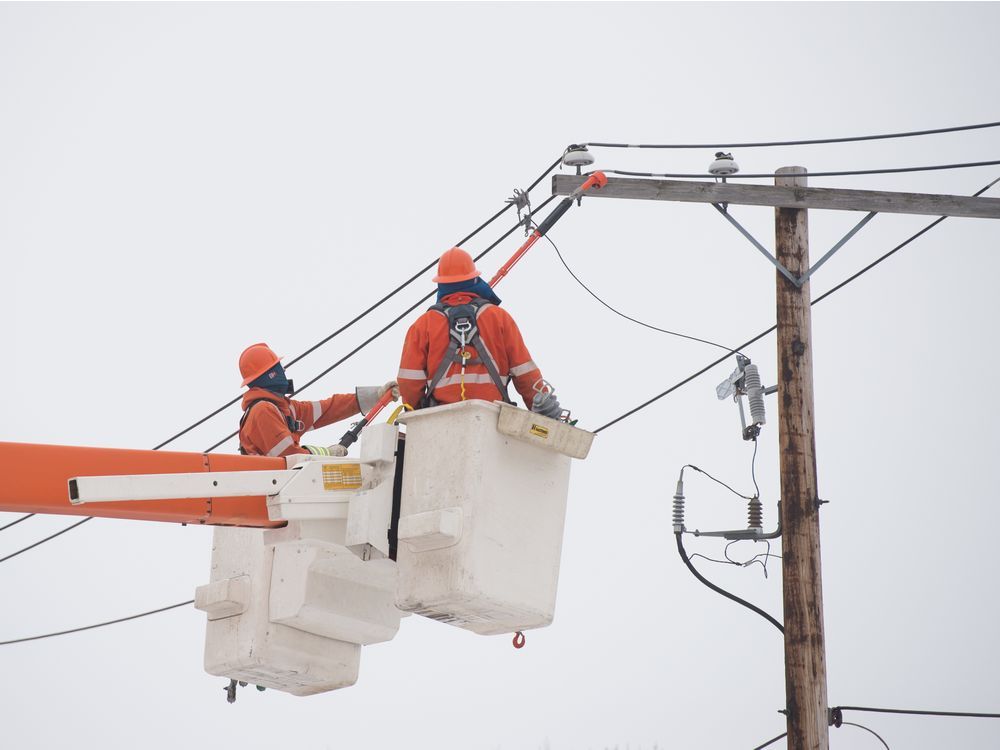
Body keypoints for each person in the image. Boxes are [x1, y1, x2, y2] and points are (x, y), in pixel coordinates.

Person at [396, 247, 565, 417]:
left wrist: (416, 414)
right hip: (493, 421)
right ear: (473, 279)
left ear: (441, 283)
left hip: (441, 421)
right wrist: (547, 413)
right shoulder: (499, 317)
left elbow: (409, 382)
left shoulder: (423, 325)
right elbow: (525, 374)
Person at [238, 342, 398, 457]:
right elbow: (289, 456)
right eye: (278, 367)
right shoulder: (263, 411)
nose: (283, 371)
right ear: (270, 374)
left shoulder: (284, 408)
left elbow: (330, 408)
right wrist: (327, 454)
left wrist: (376, 395)